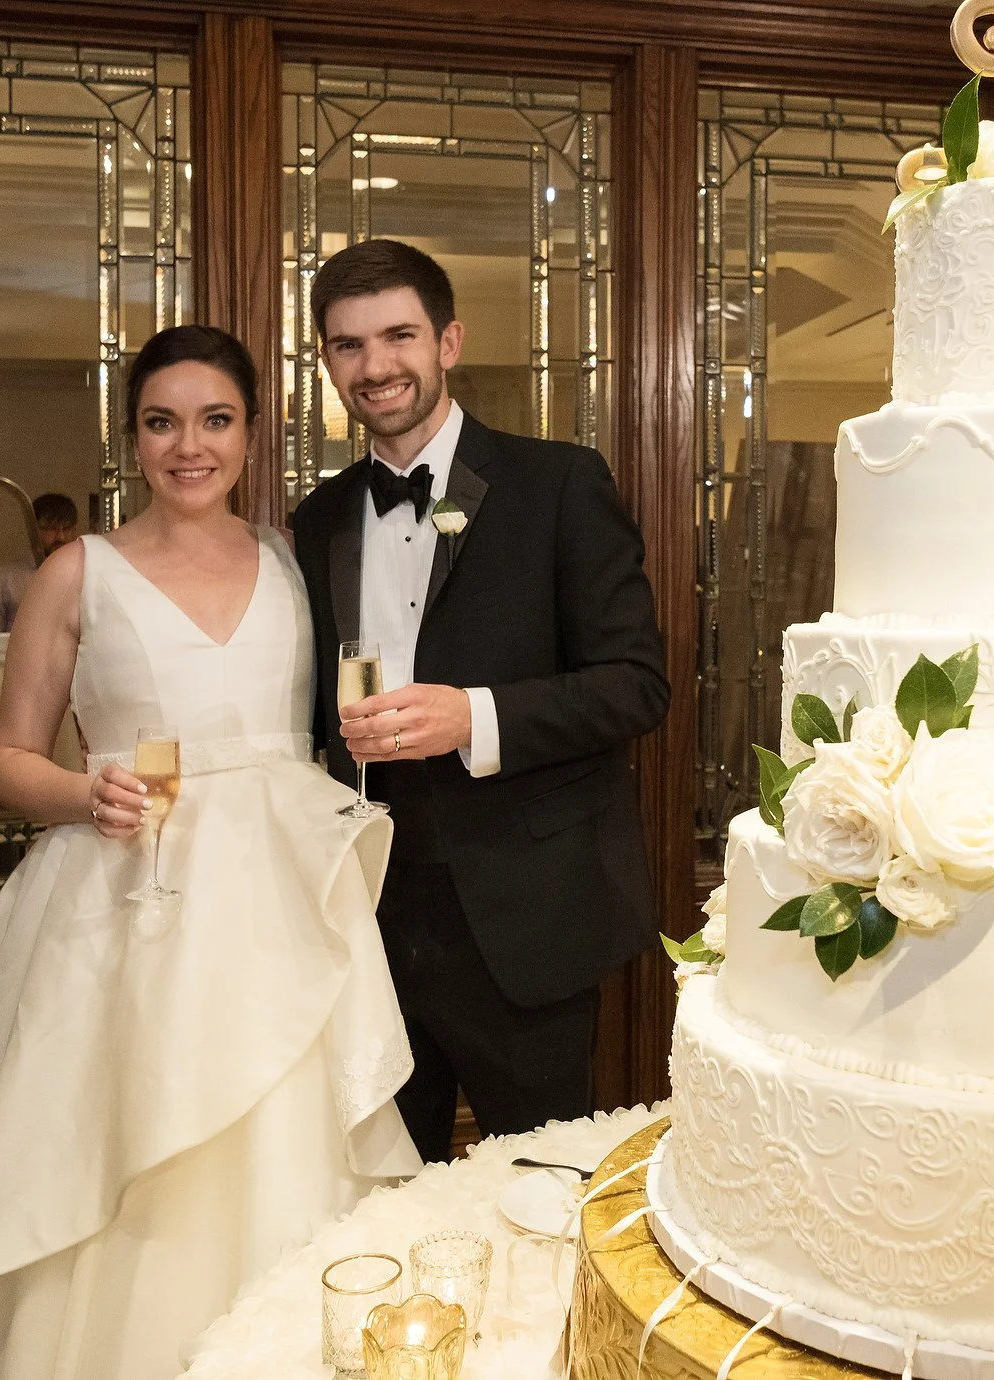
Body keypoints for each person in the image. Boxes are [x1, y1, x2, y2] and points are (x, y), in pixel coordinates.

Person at [0, 326, 420, 1380]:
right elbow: (8, 762)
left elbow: (345, 694)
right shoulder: (79, 573)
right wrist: (86, 792)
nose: (188, 446)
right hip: (129, 899)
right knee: (126, 1147)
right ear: (133, 439)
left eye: (215, 420)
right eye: (162, 423)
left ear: (254, 432)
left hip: (277, 908)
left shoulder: (297, 562)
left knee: (276, 1140)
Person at [291, 240, 669, 1164]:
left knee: (539, 1187)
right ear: (329, 364)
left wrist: (476, 717)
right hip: (369, 921)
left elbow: (637, 684)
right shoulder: (319, 518)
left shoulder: (560, 484)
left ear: (449, 342)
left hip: (524, 917)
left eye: (399, 335)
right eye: (348, 345)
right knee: (386, 1191)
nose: (376, 365)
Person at [0, 491, 80, 634]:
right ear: (33, 529)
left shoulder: (86, 577)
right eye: (50, 528)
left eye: (67, 528)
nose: (61, 536)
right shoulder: (3, 582)